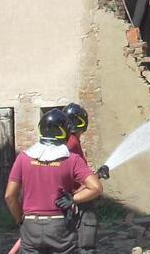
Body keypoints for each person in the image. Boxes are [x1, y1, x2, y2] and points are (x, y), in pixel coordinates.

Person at [5, 109, 103, 254]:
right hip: (60, 227)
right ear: (65, 132)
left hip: (31, 227)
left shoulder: (23, 158)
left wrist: (21, 220)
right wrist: (73, 199)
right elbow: (96, 187)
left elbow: (9, 196)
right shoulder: (71, 159)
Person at [62, 103, 109, 254]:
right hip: (76, 201)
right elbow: (83, 182)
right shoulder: (72, 142)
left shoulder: (64, 141)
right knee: (86, 244)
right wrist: (98, 175)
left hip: (65, 200)